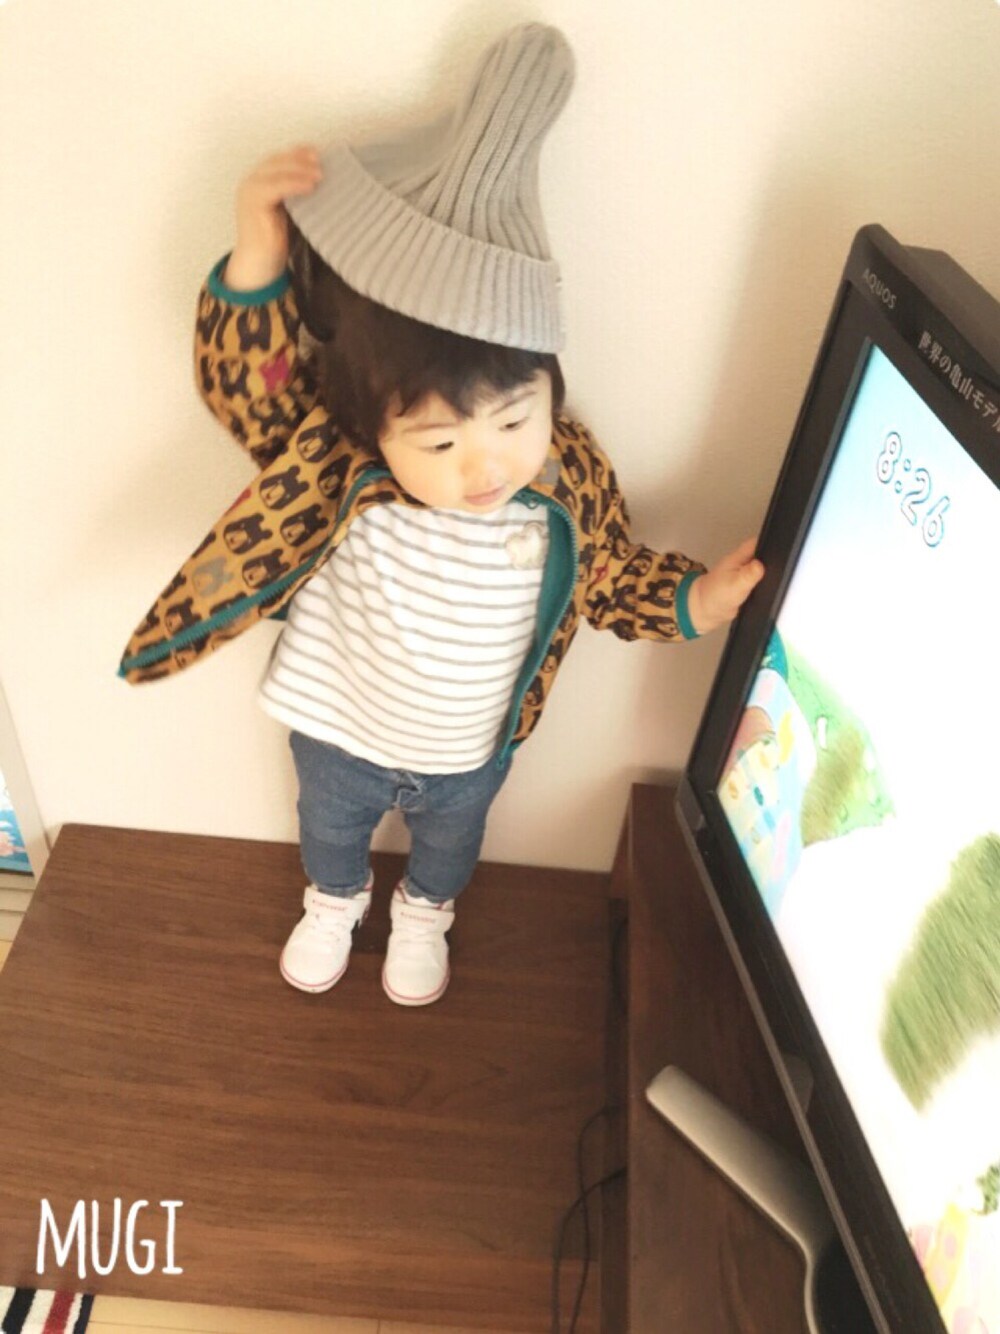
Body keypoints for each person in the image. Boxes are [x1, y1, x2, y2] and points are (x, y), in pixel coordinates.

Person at [119, 24, 764, 1007]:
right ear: (373, 425)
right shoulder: (336, 459)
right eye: (438, 442)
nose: (484, 465)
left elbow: (611, 574)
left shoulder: (567, 478)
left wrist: (696, 600)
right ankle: (333, 901)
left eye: (513, 419)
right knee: (328, 828)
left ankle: (425, 914)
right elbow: (249, 386)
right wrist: (255, 252)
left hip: (468, 753)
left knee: (451, 848)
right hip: (337, 727)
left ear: (549, 387)